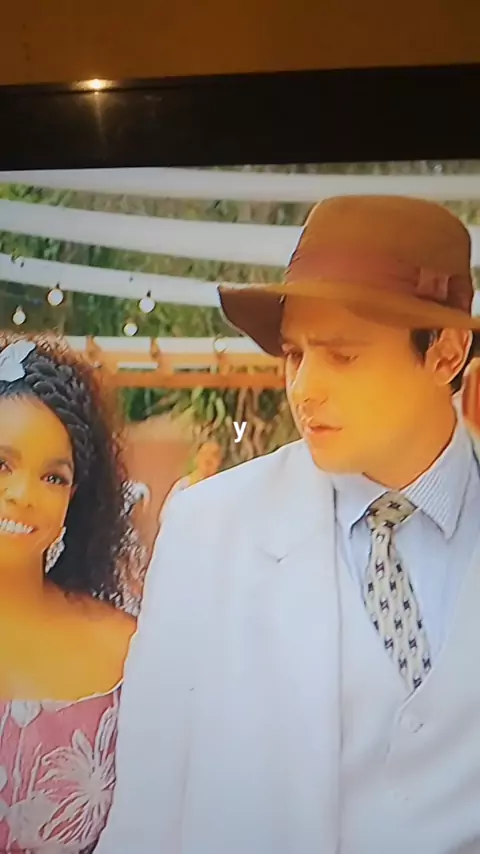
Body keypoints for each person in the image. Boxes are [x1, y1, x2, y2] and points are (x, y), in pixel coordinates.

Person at [96, 196, 480, 854]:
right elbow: (145, 816)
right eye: (295, 354)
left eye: (342, 356)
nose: (303, 389)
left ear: (445, 354)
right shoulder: (207, 529)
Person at [0, 332, 136, 854]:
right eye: (1, 464)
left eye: (53, 477)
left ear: (76, 498)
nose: (22, 494)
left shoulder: (123, 652)